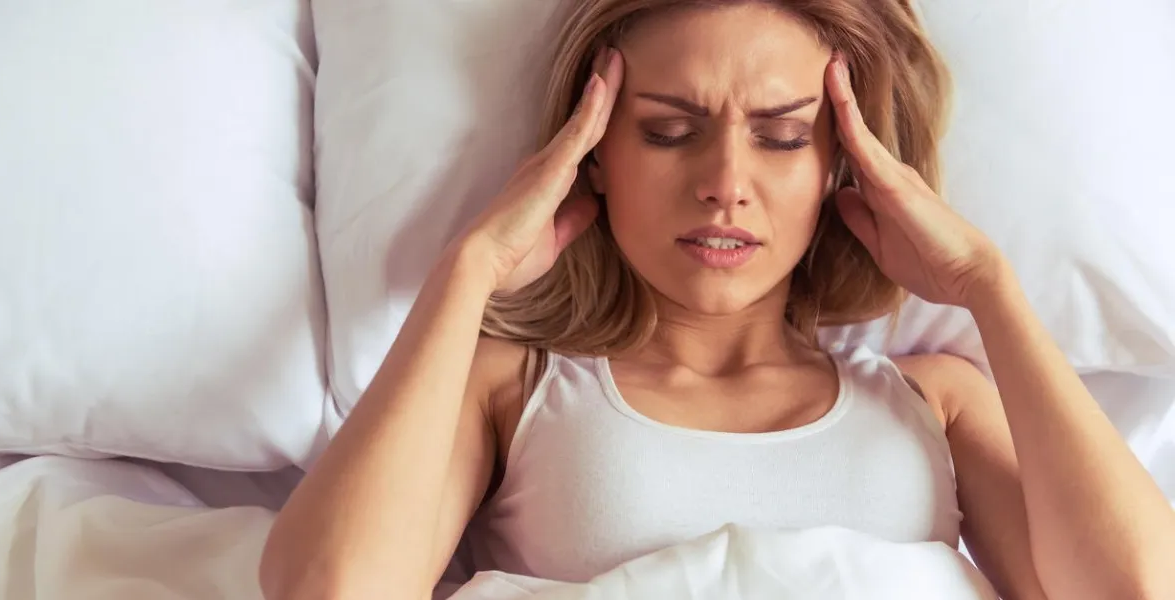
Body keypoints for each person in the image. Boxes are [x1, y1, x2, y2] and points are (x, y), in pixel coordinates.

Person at [259, 1, 1175, 599]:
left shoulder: (936, 399)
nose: (725, 183)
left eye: (781, 138)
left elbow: (1139, 588)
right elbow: (330, 589)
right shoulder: (513, 389)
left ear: (838, 168)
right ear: (595, 159)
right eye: (668, 131)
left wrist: (988, 287)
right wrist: (468, 274)